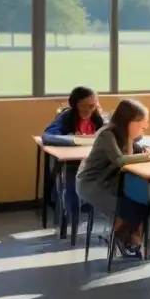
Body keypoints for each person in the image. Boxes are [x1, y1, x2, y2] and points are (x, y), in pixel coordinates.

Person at [76, 99, 150, 259]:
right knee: (127, 210)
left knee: (143, 205)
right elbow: (120, 160)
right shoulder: (107, 134)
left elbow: (134, 154)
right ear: (128, 121)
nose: (144, 127)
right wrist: (147, 156)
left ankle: (132, 240)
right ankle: (124, 239)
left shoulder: (127, 136)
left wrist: (141, 147)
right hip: (93, 184)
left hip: (112, 183)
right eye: (140, 124)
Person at [41, 86, 105, 221]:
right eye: (86, 106)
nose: (90, 109)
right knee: (72, 181)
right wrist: (76, 139)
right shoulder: (66, 117)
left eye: (93, 106)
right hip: (72, 162)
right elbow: (47, 136)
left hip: (93, 161)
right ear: (76, 104)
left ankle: (90, 204)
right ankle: (72, 212)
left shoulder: (98, 118)